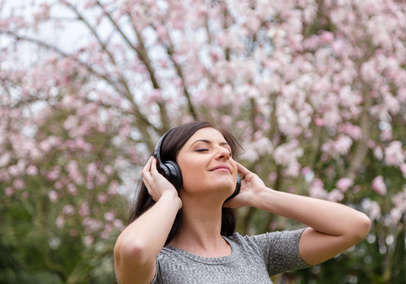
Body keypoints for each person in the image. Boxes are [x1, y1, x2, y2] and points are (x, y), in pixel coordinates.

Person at [113, 121, 371, 284]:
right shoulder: (157, 266)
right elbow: (134, 248)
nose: (224, 153)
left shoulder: (257, 252)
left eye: (226, 149)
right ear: (169, 171)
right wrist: (169, 197)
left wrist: (262, 196)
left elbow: (354, 226)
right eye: (203, 149)